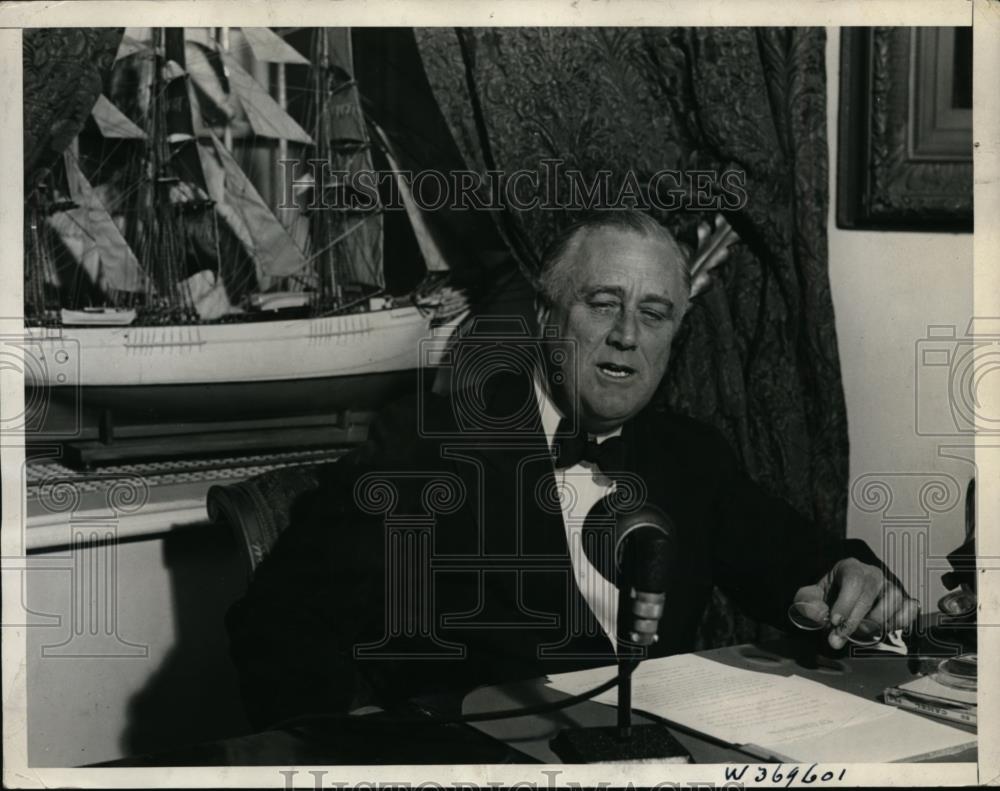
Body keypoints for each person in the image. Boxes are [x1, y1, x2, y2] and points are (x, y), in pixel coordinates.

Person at [226, 210, 918, 731]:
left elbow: (803, 562)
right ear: (543, 314)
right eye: (602, 303)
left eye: (654, 314)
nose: (627, 335)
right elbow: (277, 629)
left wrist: (851, 577)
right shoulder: (426, 446)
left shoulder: (691, 455)